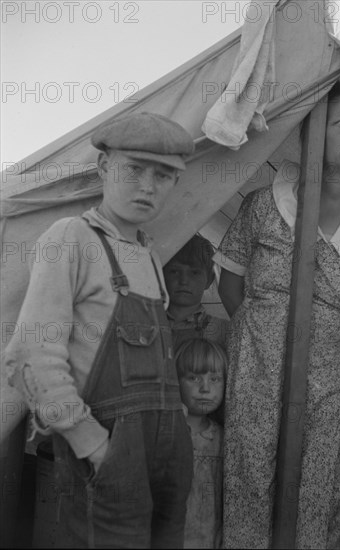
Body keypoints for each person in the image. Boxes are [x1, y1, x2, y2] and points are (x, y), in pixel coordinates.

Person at [213, 82, 340, 549]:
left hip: (335, 367)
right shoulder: (264, 203)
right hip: (259, 359)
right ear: (312, 131)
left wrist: (333, 329)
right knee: (253, 464)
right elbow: (231, 280)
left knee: (323, 474)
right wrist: (262, 332)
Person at [4, 112, 195, 548]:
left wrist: (177, 431)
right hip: (107, 451)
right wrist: (92, 445)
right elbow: (29, 355)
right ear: (104, 169)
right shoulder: (71, 237)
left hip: (169, 455)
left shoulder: (148, 255)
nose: (148, 186)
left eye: (163, 176)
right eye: (134, 169)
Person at [175, 338, 226, 549]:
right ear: (176, 381)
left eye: (215, 379)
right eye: (194, 378)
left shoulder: (224, 438)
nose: (205, 388)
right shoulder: (167, 433)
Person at [163, 235, 228, 348]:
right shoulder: (146, 323)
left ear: (209, 279)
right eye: (174, 271)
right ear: (162, 275)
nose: (183, 281)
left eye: (194, 273)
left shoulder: (223, 332)